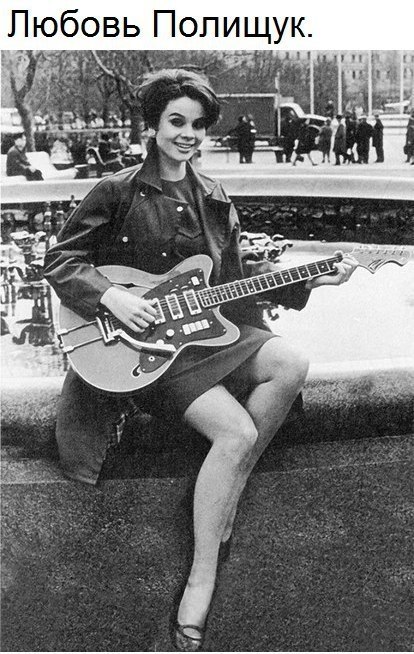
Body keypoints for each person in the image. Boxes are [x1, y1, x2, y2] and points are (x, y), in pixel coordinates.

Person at [43, 69, 357, 652]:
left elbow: (233, 280)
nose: (187, 134)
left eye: (197, 125)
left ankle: (225, 489)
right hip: (148, 351)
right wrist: (111, 297)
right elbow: (60, 260)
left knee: (290, 363)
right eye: (176, 122)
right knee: (236, 432)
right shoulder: (116, 190)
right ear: (154, 125)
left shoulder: (212, 195)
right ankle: (202, 576)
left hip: (203, 335)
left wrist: (307, 279)